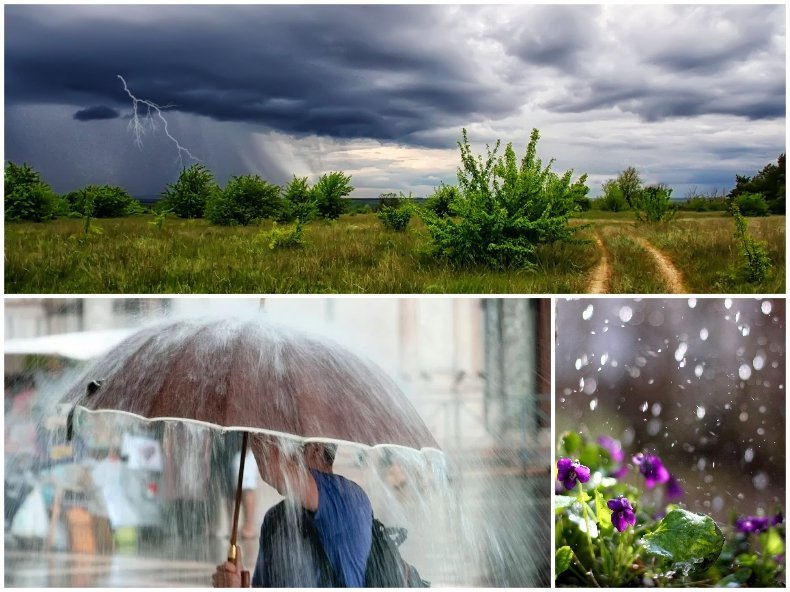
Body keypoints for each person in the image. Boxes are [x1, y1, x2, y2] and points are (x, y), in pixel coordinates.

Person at [212, 436, 372, 588]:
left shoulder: (348, 497)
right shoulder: (275, 517)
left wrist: (255, 424)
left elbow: (274, 469)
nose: (285, 451)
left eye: (290, 444)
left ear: (316, 448)